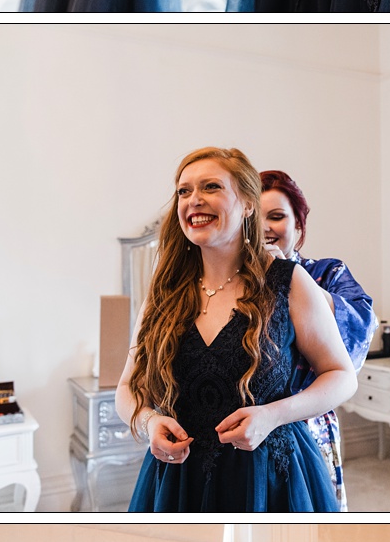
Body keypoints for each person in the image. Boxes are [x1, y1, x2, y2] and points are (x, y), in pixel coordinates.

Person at [117, 146, 356, 511]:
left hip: (271, 479)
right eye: (184, 191)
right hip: (180, 480)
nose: (194, 200)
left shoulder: (289, 282)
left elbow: (342, 375)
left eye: (211, 187)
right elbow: (127, 387)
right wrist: (150, 424)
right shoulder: (163, 291)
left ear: (247, 204)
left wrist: (273, 415)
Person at [259, 170, 374, 509]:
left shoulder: (328, 273)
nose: (266, 228)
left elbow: (358, 332)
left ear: (299, 228)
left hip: (308, 421)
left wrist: (293, 280)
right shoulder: (235, 282)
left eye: (277, 217)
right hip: (250, 427)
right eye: (256, 219)